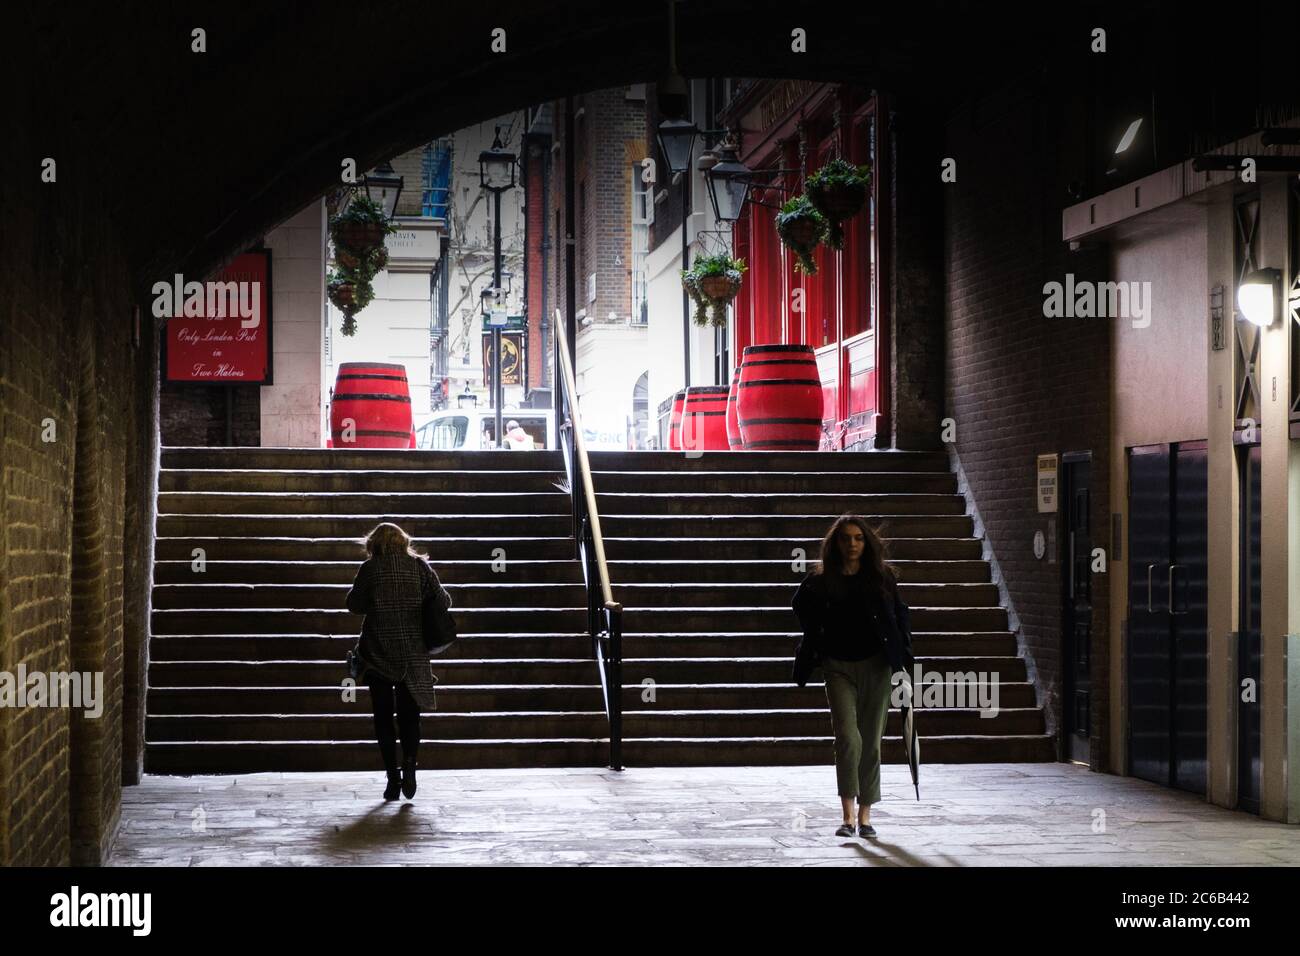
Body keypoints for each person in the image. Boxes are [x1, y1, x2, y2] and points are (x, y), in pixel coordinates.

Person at [791, 514, 915, 839]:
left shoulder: (881, 577)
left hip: (877, 665)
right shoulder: (821, 581)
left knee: (871, 741)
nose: (852, 544)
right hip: (837, 666)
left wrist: (903, 652)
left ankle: (865, 815)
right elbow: (799, 605)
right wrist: (815, 637)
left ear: (866, 543)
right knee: (848, 737)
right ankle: (846, 817)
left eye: (858, 538)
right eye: (846, 538)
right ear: (836, 544)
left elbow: (900, 615)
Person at [346, 522, 451, 801]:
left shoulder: (370, 569)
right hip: (413, 653)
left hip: (377, 652)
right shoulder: (419, 567)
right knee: (409, 716)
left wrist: (378, 600)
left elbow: (353, 605)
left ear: (374, 544)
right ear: (403, 542)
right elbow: (445, 601)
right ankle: (410, 764)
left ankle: (392, 778)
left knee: (382, 717)